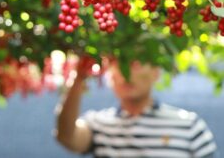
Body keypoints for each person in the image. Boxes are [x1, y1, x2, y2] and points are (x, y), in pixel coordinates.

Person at [55, 56, 218, 157]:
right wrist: (78, 78)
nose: (127, 74)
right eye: (118, 64)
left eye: (136, 64)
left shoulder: (189, 125)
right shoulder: (99, 124)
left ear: (156, 73)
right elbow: (67, 137)